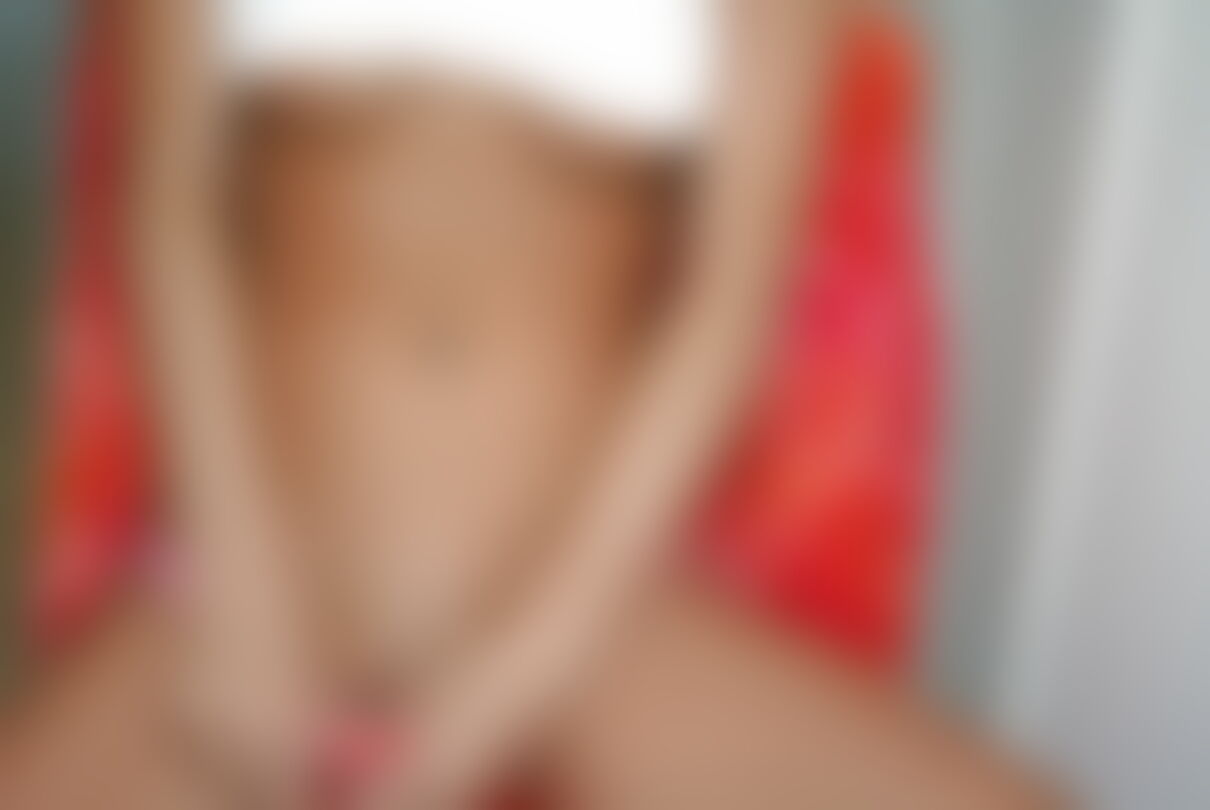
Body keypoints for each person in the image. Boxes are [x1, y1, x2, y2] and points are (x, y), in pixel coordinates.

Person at [8, 1, 1062, 808]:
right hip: (237, 598)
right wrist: (245, 601)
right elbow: (167, 210)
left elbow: (726, 312)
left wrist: (514, 678)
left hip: (585, 628)